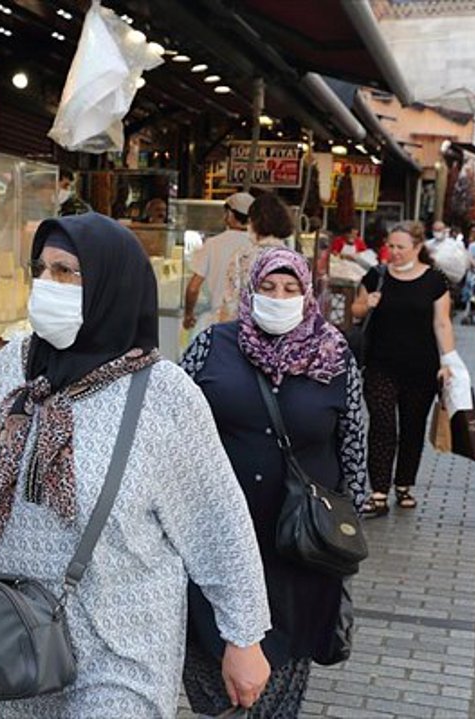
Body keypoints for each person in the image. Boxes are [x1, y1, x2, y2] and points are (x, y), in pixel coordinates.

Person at [0, 212, 272, 718]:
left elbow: (216, 519)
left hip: (120, 651)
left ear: (111, 285)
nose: (47, 283)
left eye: (66, 271)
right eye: (41, 269)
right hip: (14, 641)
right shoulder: (13, 369)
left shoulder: (164, 396)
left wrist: (244, 637)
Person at [180, 246, 367, 718]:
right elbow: (170, 426)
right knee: (210, 665)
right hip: (215, 538)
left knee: (281, 677)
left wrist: (348, 528)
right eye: (267, 287)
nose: (278, 297)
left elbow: (353, 442)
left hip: (299, 547)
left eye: (289, 288)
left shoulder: (333, 354)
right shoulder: (212, 345)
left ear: (307, 295)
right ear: (251, 291)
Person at [351, 221, 456, 515]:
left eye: (401, 247)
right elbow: (355, 309)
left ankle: (404, 484)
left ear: (418, 247)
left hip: (421, 367)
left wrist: (449, 361)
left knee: (412, 427)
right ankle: (378, 491)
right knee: (382, 426)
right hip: (380, 365)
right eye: (391, 246)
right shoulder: (377, 275)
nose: (394, 252)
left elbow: (442, 323)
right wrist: (368, 304)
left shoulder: (435, 281)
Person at [184, 192, 254, 332]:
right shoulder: (258, 245)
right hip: (249, 324)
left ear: (229, 214)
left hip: (219, 320)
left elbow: (193, 288)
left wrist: (188, 314)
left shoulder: (212, 244)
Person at [220, 192, 293, 323]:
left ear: (255, 223)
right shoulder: (295, 260)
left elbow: (230, 304)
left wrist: (222, 330)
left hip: (250, 329)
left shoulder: (243, 257)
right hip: (284, 329)